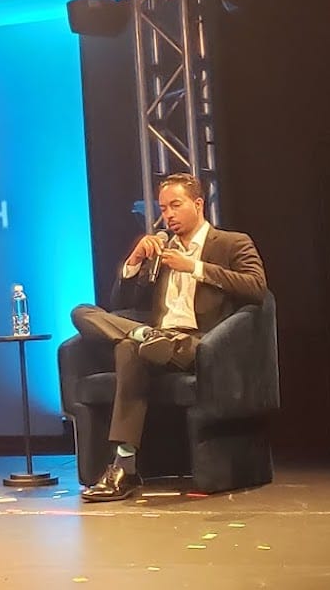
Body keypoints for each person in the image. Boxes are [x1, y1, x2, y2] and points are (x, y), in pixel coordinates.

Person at [70, 173, 267, 502]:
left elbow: (257, 288)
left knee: (128, 349)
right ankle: (143, 336)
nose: (169, 214)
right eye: (164, 208)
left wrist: (194, 267)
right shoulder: (160, 248)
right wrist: (134, 263)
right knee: (86, 315)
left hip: (200, 341)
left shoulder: (232, 243)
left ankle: (124, 468)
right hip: (157, 335)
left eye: (176, 205)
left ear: (198, 204)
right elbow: (121, 304)